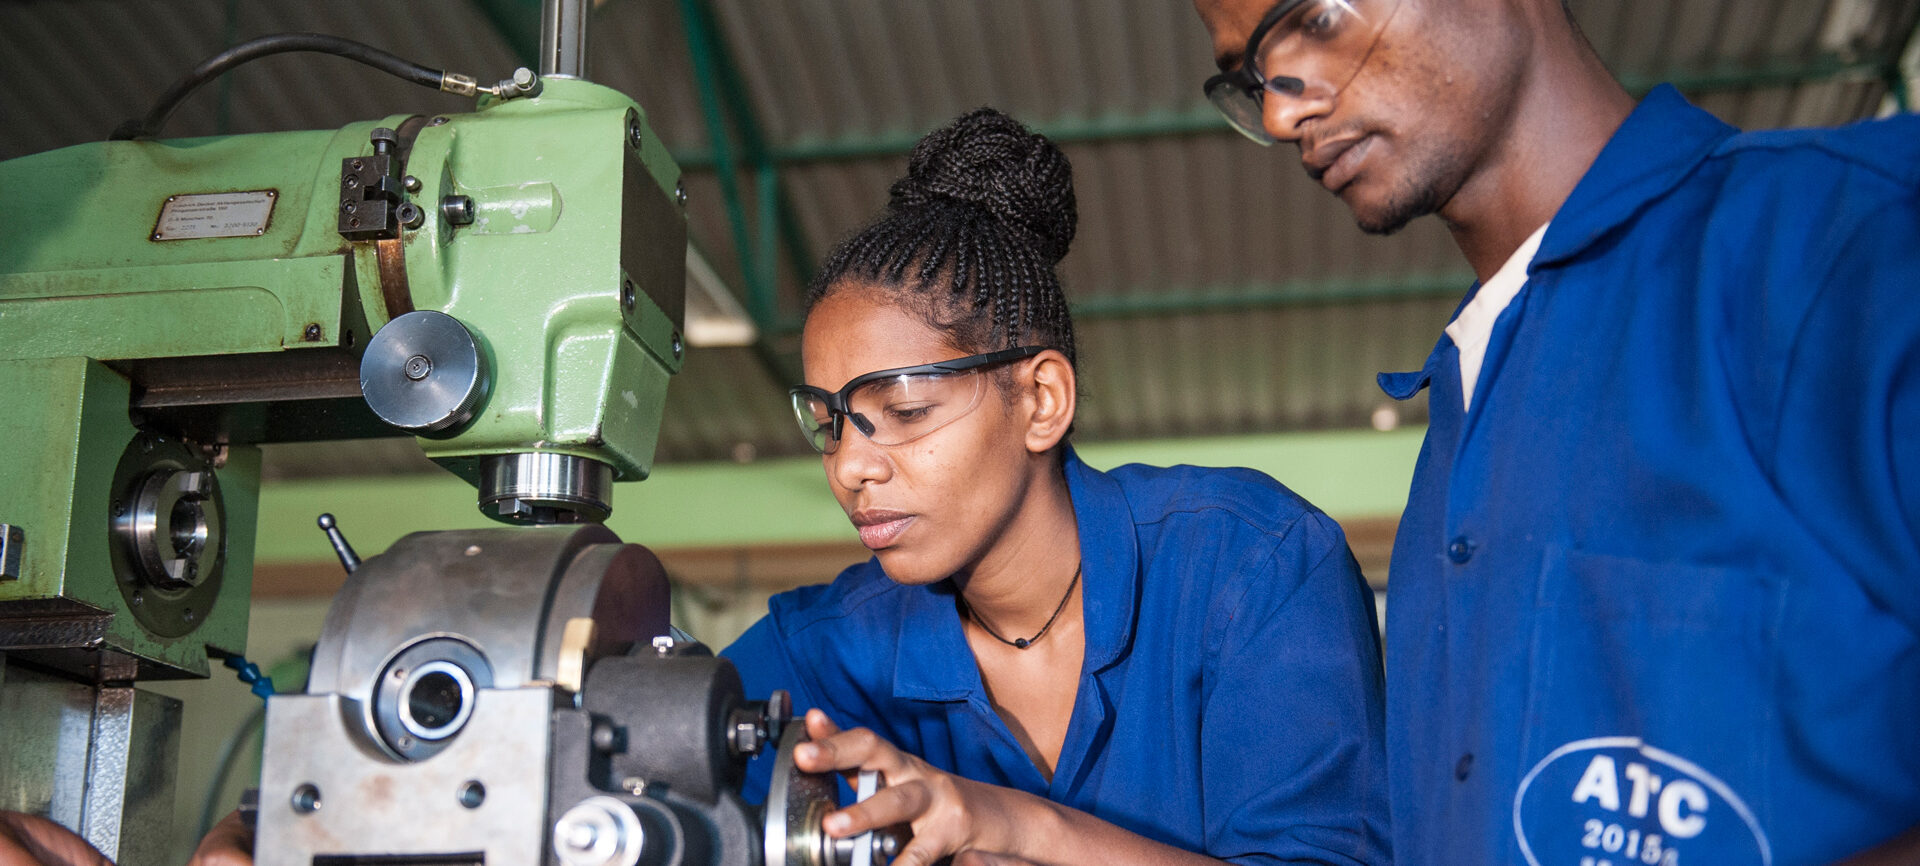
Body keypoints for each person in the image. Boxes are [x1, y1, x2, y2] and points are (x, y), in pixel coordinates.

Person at [1188, 0, 1920, 864]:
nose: (1281, 111)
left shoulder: (1850, 240)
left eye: (1311, 18)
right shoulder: (1462, 421)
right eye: (1248, 77)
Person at [720, 107, 1389, 866]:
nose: (848, 467)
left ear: (1041, 401)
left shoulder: (1251, 563)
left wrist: (1013, 825)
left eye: (902, 410)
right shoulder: (826, 647)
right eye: (830, 424)